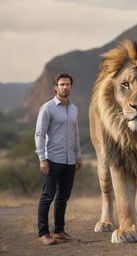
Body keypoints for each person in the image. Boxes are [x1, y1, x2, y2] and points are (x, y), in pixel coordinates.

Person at [35, 72, 82, 245]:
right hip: (52, 159)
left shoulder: (74, 108)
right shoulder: (48, 108)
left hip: (69, 160)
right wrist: (42, 158)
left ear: (71, 87)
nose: (65, 87)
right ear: (56, 87)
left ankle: (59, 231)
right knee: (47, 196)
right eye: (61, 84)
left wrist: (78, 156)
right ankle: (43, 233)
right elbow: (39, 134)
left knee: (63, 197)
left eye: (67, 84)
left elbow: (75, 134)